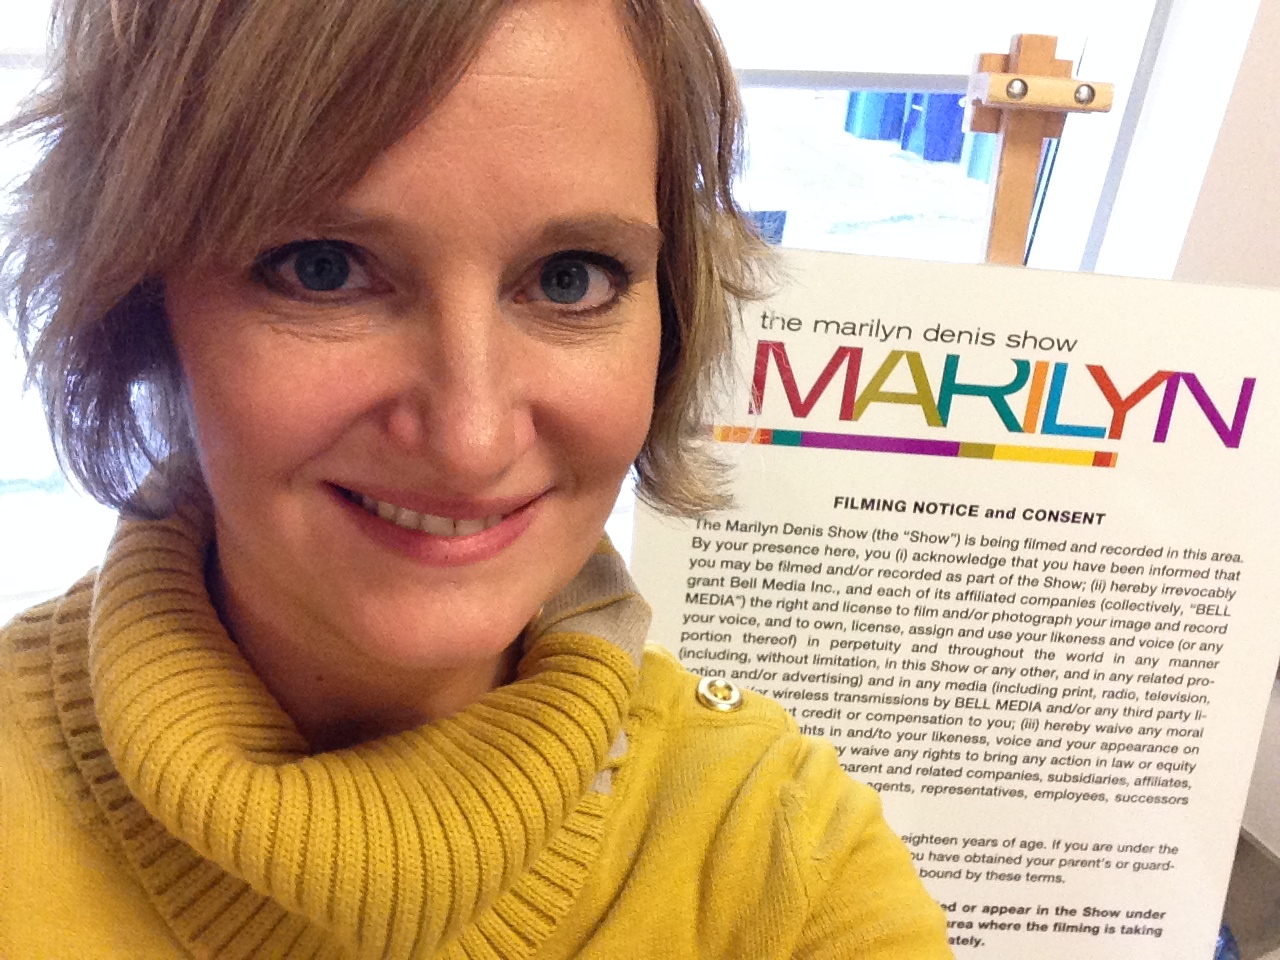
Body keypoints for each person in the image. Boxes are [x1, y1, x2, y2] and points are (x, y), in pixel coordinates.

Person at [0, 0, 951, 956]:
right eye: (323, 270)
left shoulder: (785, 863)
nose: (470, 440)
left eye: (571, 277)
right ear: (141, 303)